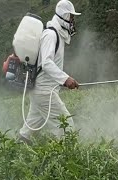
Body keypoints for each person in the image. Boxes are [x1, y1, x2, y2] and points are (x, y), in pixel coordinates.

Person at [18, 0, 81, 144]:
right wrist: (65, 79)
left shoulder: (57, 34)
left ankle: (14, 150)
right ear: (64, 16)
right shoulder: (51, 35)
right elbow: (46, 62)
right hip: (45, 92)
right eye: (71, 17)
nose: (73, 21)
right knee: (67, 128)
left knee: (28, 131)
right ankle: (65, 159)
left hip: (42, 91)